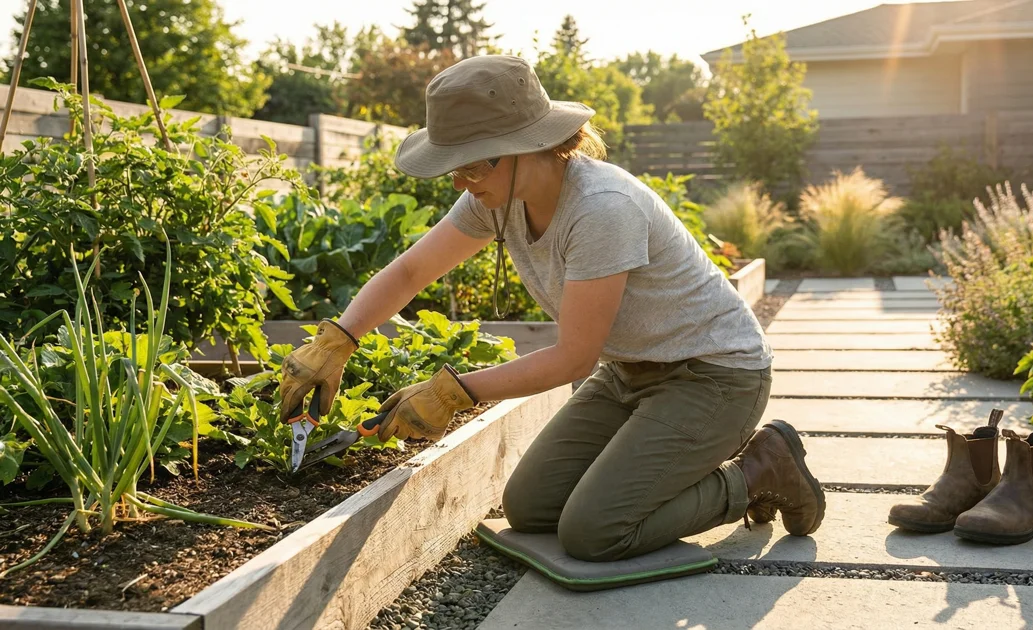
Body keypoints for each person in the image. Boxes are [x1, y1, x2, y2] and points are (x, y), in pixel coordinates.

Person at [277, 54, 826, 562]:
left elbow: (572, 359)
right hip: (629, 373)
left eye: (472, 164)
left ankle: (761, 469)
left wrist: (452, 393)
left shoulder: (601, 209)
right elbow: (410, 272)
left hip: (715, 377)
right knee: (532, 508)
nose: (461, 181)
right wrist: (338, 340)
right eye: (453, 167)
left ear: (527, 146)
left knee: (594, 531)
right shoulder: (494, 198)